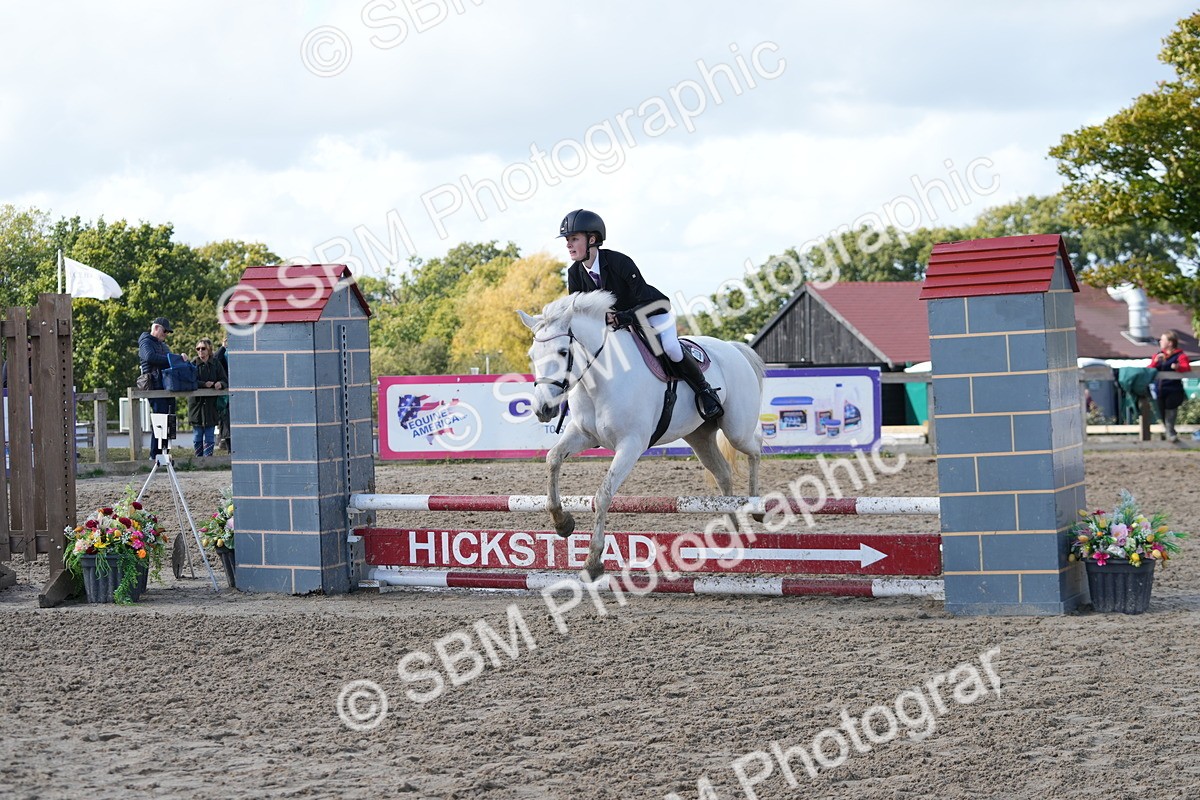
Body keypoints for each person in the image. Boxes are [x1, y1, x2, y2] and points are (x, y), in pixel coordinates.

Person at [559, 209, 723, 420]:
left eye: (574, 239)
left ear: (592, 239)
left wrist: (621, 318)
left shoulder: (619, 262)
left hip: (651, 312)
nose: (568, 245)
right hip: (616, 325)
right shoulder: (574, 273)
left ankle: (704, 390)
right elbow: (580, 313)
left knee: (671, 349)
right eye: (567, 240)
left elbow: (645, 301)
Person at [138, 316, 176, 460]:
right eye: (165, 331)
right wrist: (172, 359)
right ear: (156, 328)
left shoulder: (161, 344)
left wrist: (175, 359)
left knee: (169, 418)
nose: (166, 335)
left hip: (165, 385)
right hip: (153, 385)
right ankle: (155, 454)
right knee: (160, 418)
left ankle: (164, 451)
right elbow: (150, 357)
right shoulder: (145, 341)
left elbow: (169, 358)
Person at [1148, 330, 1191, 442]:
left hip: (1173, 389)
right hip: (1160, 389)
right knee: (1161, 411)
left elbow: (1186, 368)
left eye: (1163, 340)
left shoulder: (1180, 355)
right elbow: (1148, 370)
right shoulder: (1158, 356)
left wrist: (1177, 367)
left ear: (1170, 343)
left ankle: (1170, 432)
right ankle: (1168, 432)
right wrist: (1155, 362)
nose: (1160, 342)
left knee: (1170, 409)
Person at [189, 338, 228, 456]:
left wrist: (220, 384)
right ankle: (198, 458)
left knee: (210, 435)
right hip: (197, 405)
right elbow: (189, 381)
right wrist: (203, 384)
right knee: (197, 435)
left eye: (203, 348)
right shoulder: (193, 364)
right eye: (198, 349)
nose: (200, 351)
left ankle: (208, 459)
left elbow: (224, 379)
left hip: (211, 406)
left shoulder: (216, 364)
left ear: (209, 350)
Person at [214, 336, 231, 451]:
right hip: (226, 393)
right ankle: (228, 446)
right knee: (226, 419)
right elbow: (216, 358)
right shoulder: (224, 353)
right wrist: (223, 347)